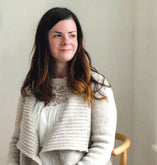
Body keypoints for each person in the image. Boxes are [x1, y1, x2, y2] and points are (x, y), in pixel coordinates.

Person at [7, 7, 117, 165]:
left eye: (72, 35)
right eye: (58, 35)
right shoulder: (32, 88)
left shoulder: (96, 86)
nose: (67, 41)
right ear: (44, 40)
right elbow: (16, 142)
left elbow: (103, 145)